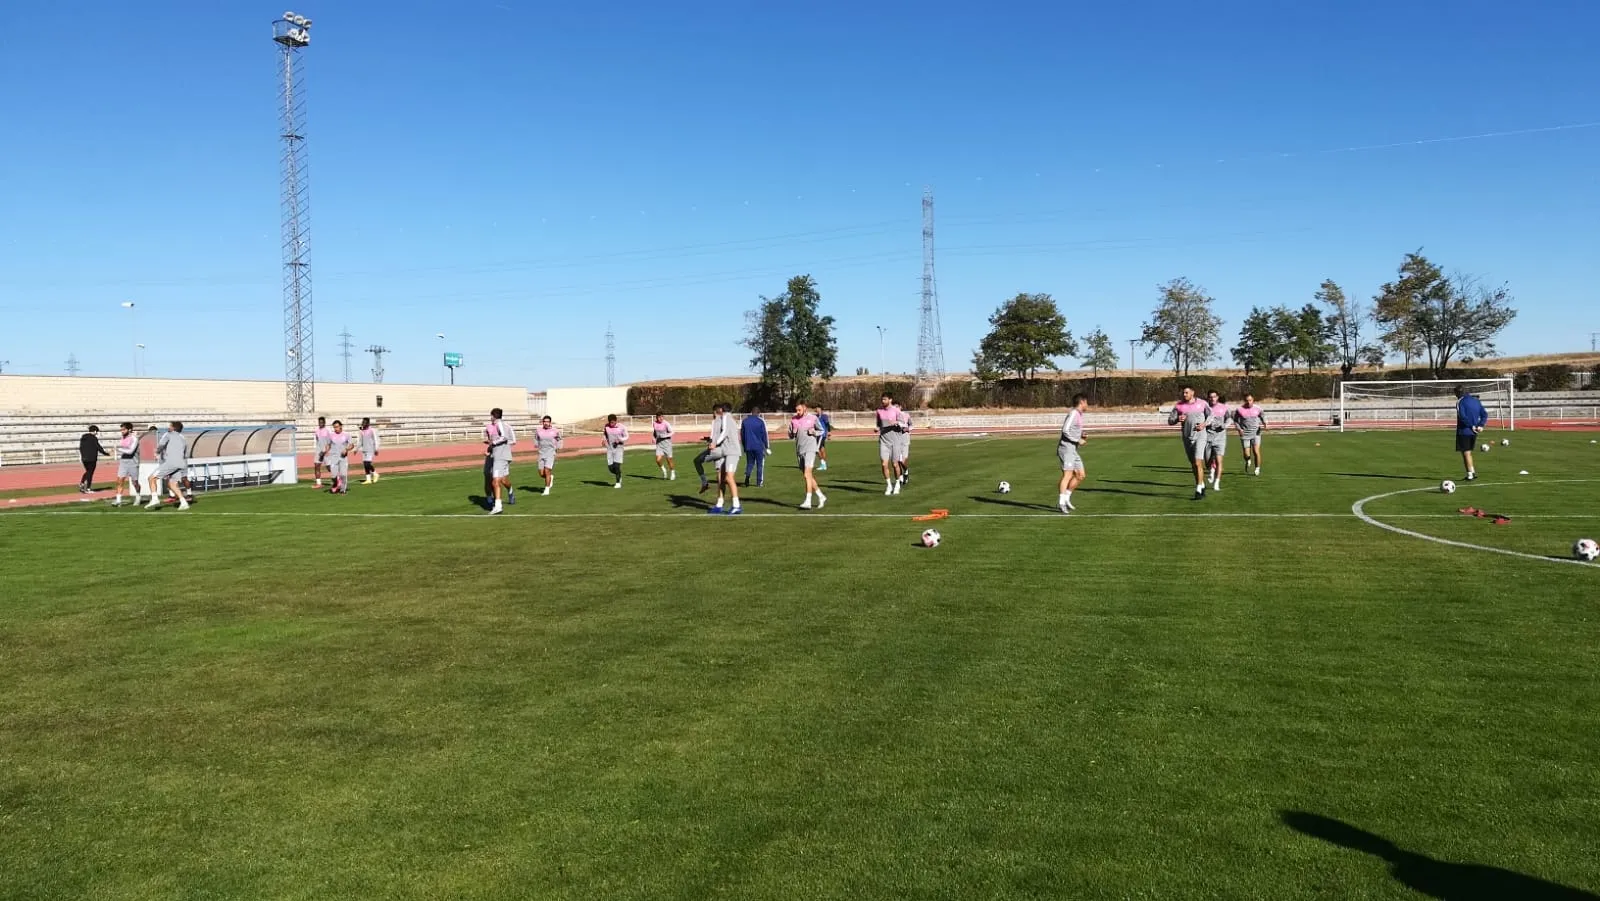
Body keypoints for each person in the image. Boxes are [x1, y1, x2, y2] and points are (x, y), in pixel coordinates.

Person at [1167, 386, 1213, 499]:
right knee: (1193, 464)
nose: (1184, 394)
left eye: (1186, 392)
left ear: (1192, 393)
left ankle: (1198, 490)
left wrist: (1204, 424)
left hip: (1200, 436)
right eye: (1183, 393)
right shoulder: (1179, 405)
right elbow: (1170, 421)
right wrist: (1177, 419)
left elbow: (1211, 416)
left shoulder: (1202, 403)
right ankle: (1201, 484)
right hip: (1187, 437)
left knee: (1198, 462)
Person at [696, 403, 742, 514]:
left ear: (721, 410)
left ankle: (736, 505)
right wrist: (710, 440)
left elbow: (724, 432)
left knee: (729, 477)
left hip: (731, 452)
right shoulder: (727, 418)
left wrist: (714, 443)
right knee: (721, 477)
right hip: (726, 452)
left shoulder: (725, 417)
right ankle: (720, 504)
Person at [789, 401, 827, 510]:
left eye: (799, 410)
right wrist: (793, 433)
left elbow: (822, 431)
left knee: (807, 474)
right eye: (796, 410)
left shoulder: (813, 418)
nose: (797, 412)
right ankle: (821, 496)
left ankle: (808, 501)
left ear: (805, 408)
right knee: (808, 476)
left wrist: (814, 432)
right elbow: (790, 435)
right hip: (799, 451)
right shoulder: (793, 420)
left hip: (810, 449)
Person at [145, 421, 190, 510]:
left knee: (151, 478)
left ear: (173, 428)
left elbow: (161, 444)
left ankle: (155, 499)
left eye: (170, 426)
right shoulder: (182, 438)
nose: (168, 427)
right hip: (180, 463)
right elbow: (185, 452)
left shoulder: (168, 434)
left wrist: (157, 452)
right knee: (172, 484)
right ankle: (184, 502)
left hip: (171, 462)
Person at [1057, 393, 1089, 513]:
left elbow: (1073, 430)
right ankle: (1061, 503)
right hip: (1066, 449)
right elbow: (1065, 430)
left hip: (1073, 450)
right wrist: (1078, 440)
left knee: (1081, 475)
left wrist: (1081, 434)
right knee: (1068, 475)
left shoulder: (1079, 415)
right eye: (1086, 402)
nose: (1087, 405)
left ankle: (1066, 498)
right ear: (1082, 402)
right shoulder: (1073, 413)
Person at [484, 407, 516, 512]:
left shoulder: (502, 425)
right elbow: (492, 440)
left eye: (491, 416)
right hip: (494, 456)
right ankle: (510, 491)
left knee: (495, 481)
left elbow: (509, 439)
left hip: (501, 456)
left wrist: (495, 443)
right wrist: (490, 446)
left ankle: (498, 506)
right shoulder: (490, 427)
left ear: (493, 416)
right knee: (503, 480)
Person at [1454, 385, 1488, 481]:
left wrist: (1471, 426)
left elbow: (1462, 416)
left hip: (1464, 430)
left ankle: (1470, 474)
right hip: (1474, 432)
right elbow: (1484, 414)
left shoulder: (1460, 402)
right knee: (1468, 452)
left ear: (1458, 393)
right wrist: (1481, 425)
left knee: (1466, 453)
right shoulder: (1476, 401)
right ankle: (1472, 472)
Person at [876, 393, 904, 495]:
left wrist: (896, 423)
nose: (883, 401)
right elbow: (879, 424)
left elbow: (903, 423)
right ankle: (888, 485)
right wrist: (877, 428)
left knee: (895, 464)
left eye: (885, 399)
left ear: (890, 400)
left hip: (895, 441)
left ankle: (897, 483)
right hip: (884, 441)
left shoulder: (896, 410)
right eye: (882, 399)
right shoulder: (879, 411)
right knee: (884, 464)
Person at [1203, 390, 1231, 492]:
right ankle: (1211, 468)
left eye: (1214, 396)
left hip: (1220, 438)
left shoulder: (1224, 407)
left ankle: (1217, 483)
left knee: (1219, 461)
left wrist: (1225, 425)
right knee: (1207, 462)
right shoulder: (1205, 408)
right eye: (1210, 397)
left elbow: (1229, 419)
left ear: (1217, 397)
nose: (1212, 399)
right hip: (1207, 437)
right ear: (1208, 398)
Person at [1233, 393, 1266, 476]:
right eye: (1247, 400)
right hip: (1245, 434)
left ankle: (1257, 468)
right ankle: (1248, 460)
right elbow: (1235, 421)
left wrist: (1265, 423)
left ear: (1253, 400)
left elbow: (1262, 416)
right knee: (1246, 454)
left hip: (1256, 433)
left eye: (1250, 400)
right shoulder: (1239, 409)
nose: (1249, 402)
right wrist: (1239, 429)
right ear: (1244, 401)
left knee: (1256, 451)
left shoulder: (1258, 408)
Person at [111, 422, 142, 507]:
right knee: (119, 481)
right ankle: (118, 500)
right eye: (121, 430)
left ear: (129, 429)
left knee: (134, 482)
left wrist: (118, 449)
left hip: (133, 463)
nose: (122, 431)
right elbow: (124, 449)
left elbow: (130, 451)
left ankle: (138, 496)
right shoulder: (122, 438)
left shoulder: (134, 439)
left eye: (124, 430)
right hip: (123, 462)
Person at [741, 408, 769, 487]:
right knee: (759, 465)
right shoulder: (760, 422)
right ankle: (759, 482)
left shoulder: (745, 421)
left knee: (750, 463)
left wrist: (744, 445)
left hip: (748, 446)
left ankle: (747, 477)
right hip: (758, 446)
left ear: (751, 412)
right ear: (759, 413)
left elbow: (742, 435)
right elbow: (764, 435)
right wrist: (766, 446)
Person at [535, 415, 562, 496]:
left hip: (550, 453)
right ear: (542, 422)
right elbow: (536, 438)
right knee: (541, 473)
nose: (546, 423)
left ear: (550, 422)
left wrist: (558, 447)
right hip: (541, 453)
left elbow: (559, 439)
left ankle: (546, 490)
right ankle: (550, 477)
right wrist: (536, 444)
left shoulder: (555, 431)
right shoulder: (538, 430)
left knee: (547, 471)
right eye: (544, 421)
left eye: (547, 421)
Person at [78, 425, 109, 493]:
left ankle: (82, 483)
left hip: (84, 458)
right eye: (96, 432)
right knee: (90, 473)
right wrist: (106, 453)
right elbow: (98, 447)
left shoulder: (83, 437)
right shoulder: (93, 438)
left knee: (88, 472)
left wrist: (83, 455)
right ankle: (88, 488)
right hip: (92, 458)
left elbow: (80, 448)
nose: (96, 433)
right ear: (94, 431)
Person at [326, 420, 353, 495]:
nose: (336, 429)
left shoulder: (346, 435)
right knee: (333, 475)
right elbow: (328, 444)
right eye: (334, 427)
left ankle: (342, 490)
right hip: (333, 457)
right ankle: (335, 484)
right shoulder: (331, 435)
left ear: (341, 426)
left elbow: (351, 445)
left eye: (337, 427)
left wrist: (346, 449)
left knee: (343, 475)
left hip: (343, 458)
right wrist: (326, 452)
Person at [603, 414, 629, 488]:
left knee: (616, 466)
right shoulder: (606, 426)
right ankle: (619, 475)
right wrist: (604, 440)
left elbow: (627, 436)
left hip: (619, 448)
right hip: (610, 449)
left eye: (613, 422)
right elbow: (604, 434)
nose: (611, 424)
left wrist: (620, 440)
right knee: (611, 468)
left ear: (616, 421)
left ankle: (618, 483)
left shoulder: (621, 427)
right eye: (610, 422)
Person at [651, 412, 676, 480]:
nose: (660, 418)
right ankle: (664, 470)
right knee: (658, 460)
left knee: (669, 460)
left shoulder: (666, 423)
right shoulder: (654, 423)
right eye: (659, 417)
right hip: (659, 444)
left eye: (662, 417)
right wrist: (653, 438)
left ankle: (672, 472)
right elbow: (655, 432)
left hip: (667, 444)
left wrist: (664, 436)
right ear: (656, 417)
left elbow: (672, 432)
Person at [358, 417, 381, 483]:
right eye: (362, 422)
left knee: (367, 463)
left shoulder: (372, 430)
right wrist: (357, 449)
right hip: (364, 450)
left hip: (370, 449)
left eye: (364, 422)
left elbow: (376, 440)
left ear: (368, 423)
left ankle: (375, 474)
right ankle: (368, 479)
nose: (363, 423)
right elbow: (360, 441)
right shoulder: (361, 431)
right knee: (365, 464)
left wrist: (376, 448)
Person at [895, 407, 913, 487]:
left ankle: (906, 471)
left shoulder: (906, 415)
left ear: (900, 407)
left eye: (897, 407)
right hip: (896, 440)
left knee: (902, 461)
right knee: (897, 461)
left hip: (905, 440)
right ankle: (901, 478)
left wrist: (907, 429)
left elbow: (911, 425)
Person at [312, 416, 331, 488]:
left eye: (322, 422)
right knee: (317, 466)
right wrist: (318, 450)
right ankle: (319, 483)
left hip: (327, 451)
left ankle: (338, 480)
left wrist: (325, 451)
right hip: (318, 451)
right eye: (319, 422)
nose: (320, 424)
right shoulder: (316, 430)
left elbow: (330, 442)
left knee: (329, 468)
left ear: (324, 423)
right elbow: (317, 441)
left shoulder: (328, 431)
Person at [815, 404, 832, 471]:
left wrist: (829, 432)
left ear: (821, 409)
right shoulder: (815, 416)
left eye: (818, 408)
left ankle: (823, 464)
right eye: (816, 408)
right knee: (822, 449)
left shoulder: (824, 416)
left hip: (822, 434)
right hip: (818, 434)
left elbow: (827, 424)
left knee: (816, 449)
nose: (817, 410)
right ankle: (824, 465)